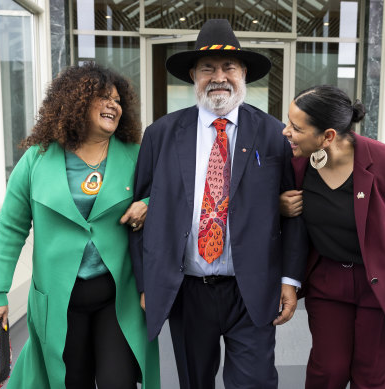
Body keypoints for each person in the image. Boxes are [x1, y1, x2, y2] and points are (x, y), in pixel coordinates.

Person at [129, 19, 306, 389]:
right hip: (188, 289)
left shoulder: (275, 134)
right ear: (193, 75)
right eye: (208, 68)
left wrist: (289, 279)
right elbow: (139, 212)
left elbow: (295, 213)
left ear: (244, 73)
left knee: (255, 382)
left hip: (252, 288)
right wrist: (146, 283)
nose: (219, 76)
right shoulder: (160, 134)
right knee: (195, 382)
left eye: (229, 67)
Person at [0, 63, 160, 389]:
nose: (113, 105)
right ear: (75, 102)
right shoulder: (36, 160)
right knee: (68, 382)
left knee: (118, 382)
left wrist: (148, 204)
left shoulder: (137, 155)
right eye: (103, 97)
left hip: (118, 299)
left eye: (117, 100)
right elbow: (11, 229)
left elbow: (169, 196)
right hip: (59, 302)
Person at [280, 85, 385, 389]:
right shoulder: (300, 161)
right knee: (328, 372)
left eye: (296, 127)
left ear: (328, 136)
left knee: (370, 377)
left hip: (380, 284)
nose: (286, 131)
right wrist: (280, 206)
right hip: (327, 281)